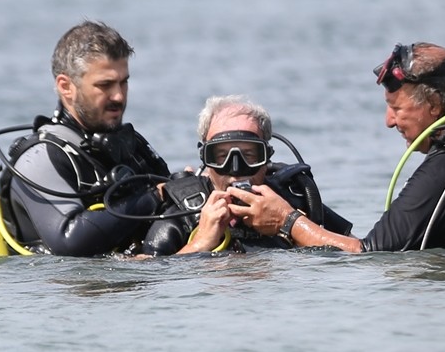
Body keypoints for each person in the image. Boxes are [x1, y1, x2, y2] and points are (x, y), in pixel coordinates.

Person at [229, 42, 445, 253]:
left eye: (396, 107)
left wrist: (287, 220)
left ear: (433, 105)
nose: (389, 121)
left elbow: (369, 254)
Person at [0, 20, 221, 256]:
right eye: (105, 85)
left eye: (123, 82)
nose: (118, 96)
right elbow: (70, 242)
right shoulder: (41, 157)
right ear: (66, 87)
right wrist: (155, 196)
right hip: (67, 290)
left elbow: (168, 193)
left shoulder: (130, 144)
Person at [143, 95, 352, 254]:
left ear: (267, 157)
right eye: (222, 156)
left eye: (250, 155)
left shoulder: (294, 199)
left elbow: (362, 252)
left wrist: (290, 223)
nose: (235, 169)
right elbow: (145, 275)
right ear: (205, 160)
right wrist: (201, 242)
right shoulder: (181, 216)